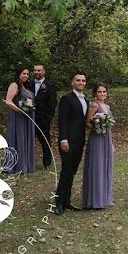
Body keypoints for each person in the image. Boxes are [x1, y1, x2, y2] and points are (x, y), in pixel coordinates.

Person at [54, 73, 88, 214]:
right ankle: (58, 202)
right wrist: (63, 139)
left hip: (79, 140)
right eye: (78, 80)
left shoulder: (85, 99)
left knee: (72, 171)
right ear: (72, 82)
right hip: (68, 141)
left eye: (83, 81)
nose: (80, 83)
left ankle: (67, 201)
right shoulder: (66, 98)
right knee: (66, 171)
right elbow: (62, 120)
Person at [82, 82, 114, 209]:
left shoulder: (107, 106)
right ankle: (95, 199)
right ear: (95, 93)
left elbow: (110, 126)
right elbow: (87, 123)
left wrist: (111, 143)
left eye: (104, 91)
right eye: (100, 92)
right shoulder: (93, 105)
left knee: (105, 166)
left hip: (106, 138)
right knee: (97, 166)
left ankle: (105, 197)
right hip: (96, 138)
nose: (102, 94)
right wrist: (97, 127)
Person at [4, 66, 35, 174]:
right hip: (18, 117)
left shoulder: (24, 87)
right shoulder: (14, 85)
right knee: (19, 138)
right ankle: (17, 165)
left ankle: (25, 164)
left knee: (25, 139)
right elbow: (8, 101)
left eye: (27, 74)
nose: (26, 75)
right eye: (23, 73)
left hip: (27, 117)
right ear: (18, 74)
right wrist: (20, 111)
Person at [31, 63, 57, 169]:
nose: (37, 72)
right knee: (28, 140)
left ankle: (47, 163)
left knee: (45, 141)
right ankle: (28, 162)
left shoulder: (50, 86)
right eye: (35, 70)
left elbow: (52, 104)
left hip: (43, 119)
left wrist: (47, 119)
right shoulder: (29, 85)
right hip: (29, 118)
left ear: (44, 71)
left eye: (39, 70)